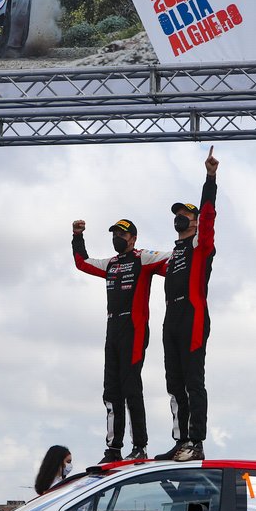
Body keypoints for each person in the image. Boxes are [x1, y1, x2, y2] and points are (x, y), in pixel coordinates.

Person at [73, 218, 170, 464]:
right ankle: (113, 447)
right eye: (114, 234)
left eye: (122, 234)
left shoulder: (143, 257)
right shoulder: (111, 263)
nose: (117, 238)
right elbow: (83, 263)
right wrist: (77, 236)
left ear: (133, 238)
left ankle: (140, 445)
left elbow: (174, 259)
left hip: (134, 328)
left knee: (131, 388)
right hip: (112, 327)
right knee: (111, 390)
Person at [155, 148, 218, 462]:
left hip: (193, 315)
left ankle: (196, 442)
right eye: (176, 214)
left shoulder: (200, 245)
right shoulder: (173, 252)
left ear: (194, 222)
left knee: (193, 381)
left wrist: (210, 179)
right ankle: (181, 440)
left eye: (185, 214)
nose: (178, 218)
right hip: (171, 318)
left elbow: (208, 216)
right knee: (173, 381)